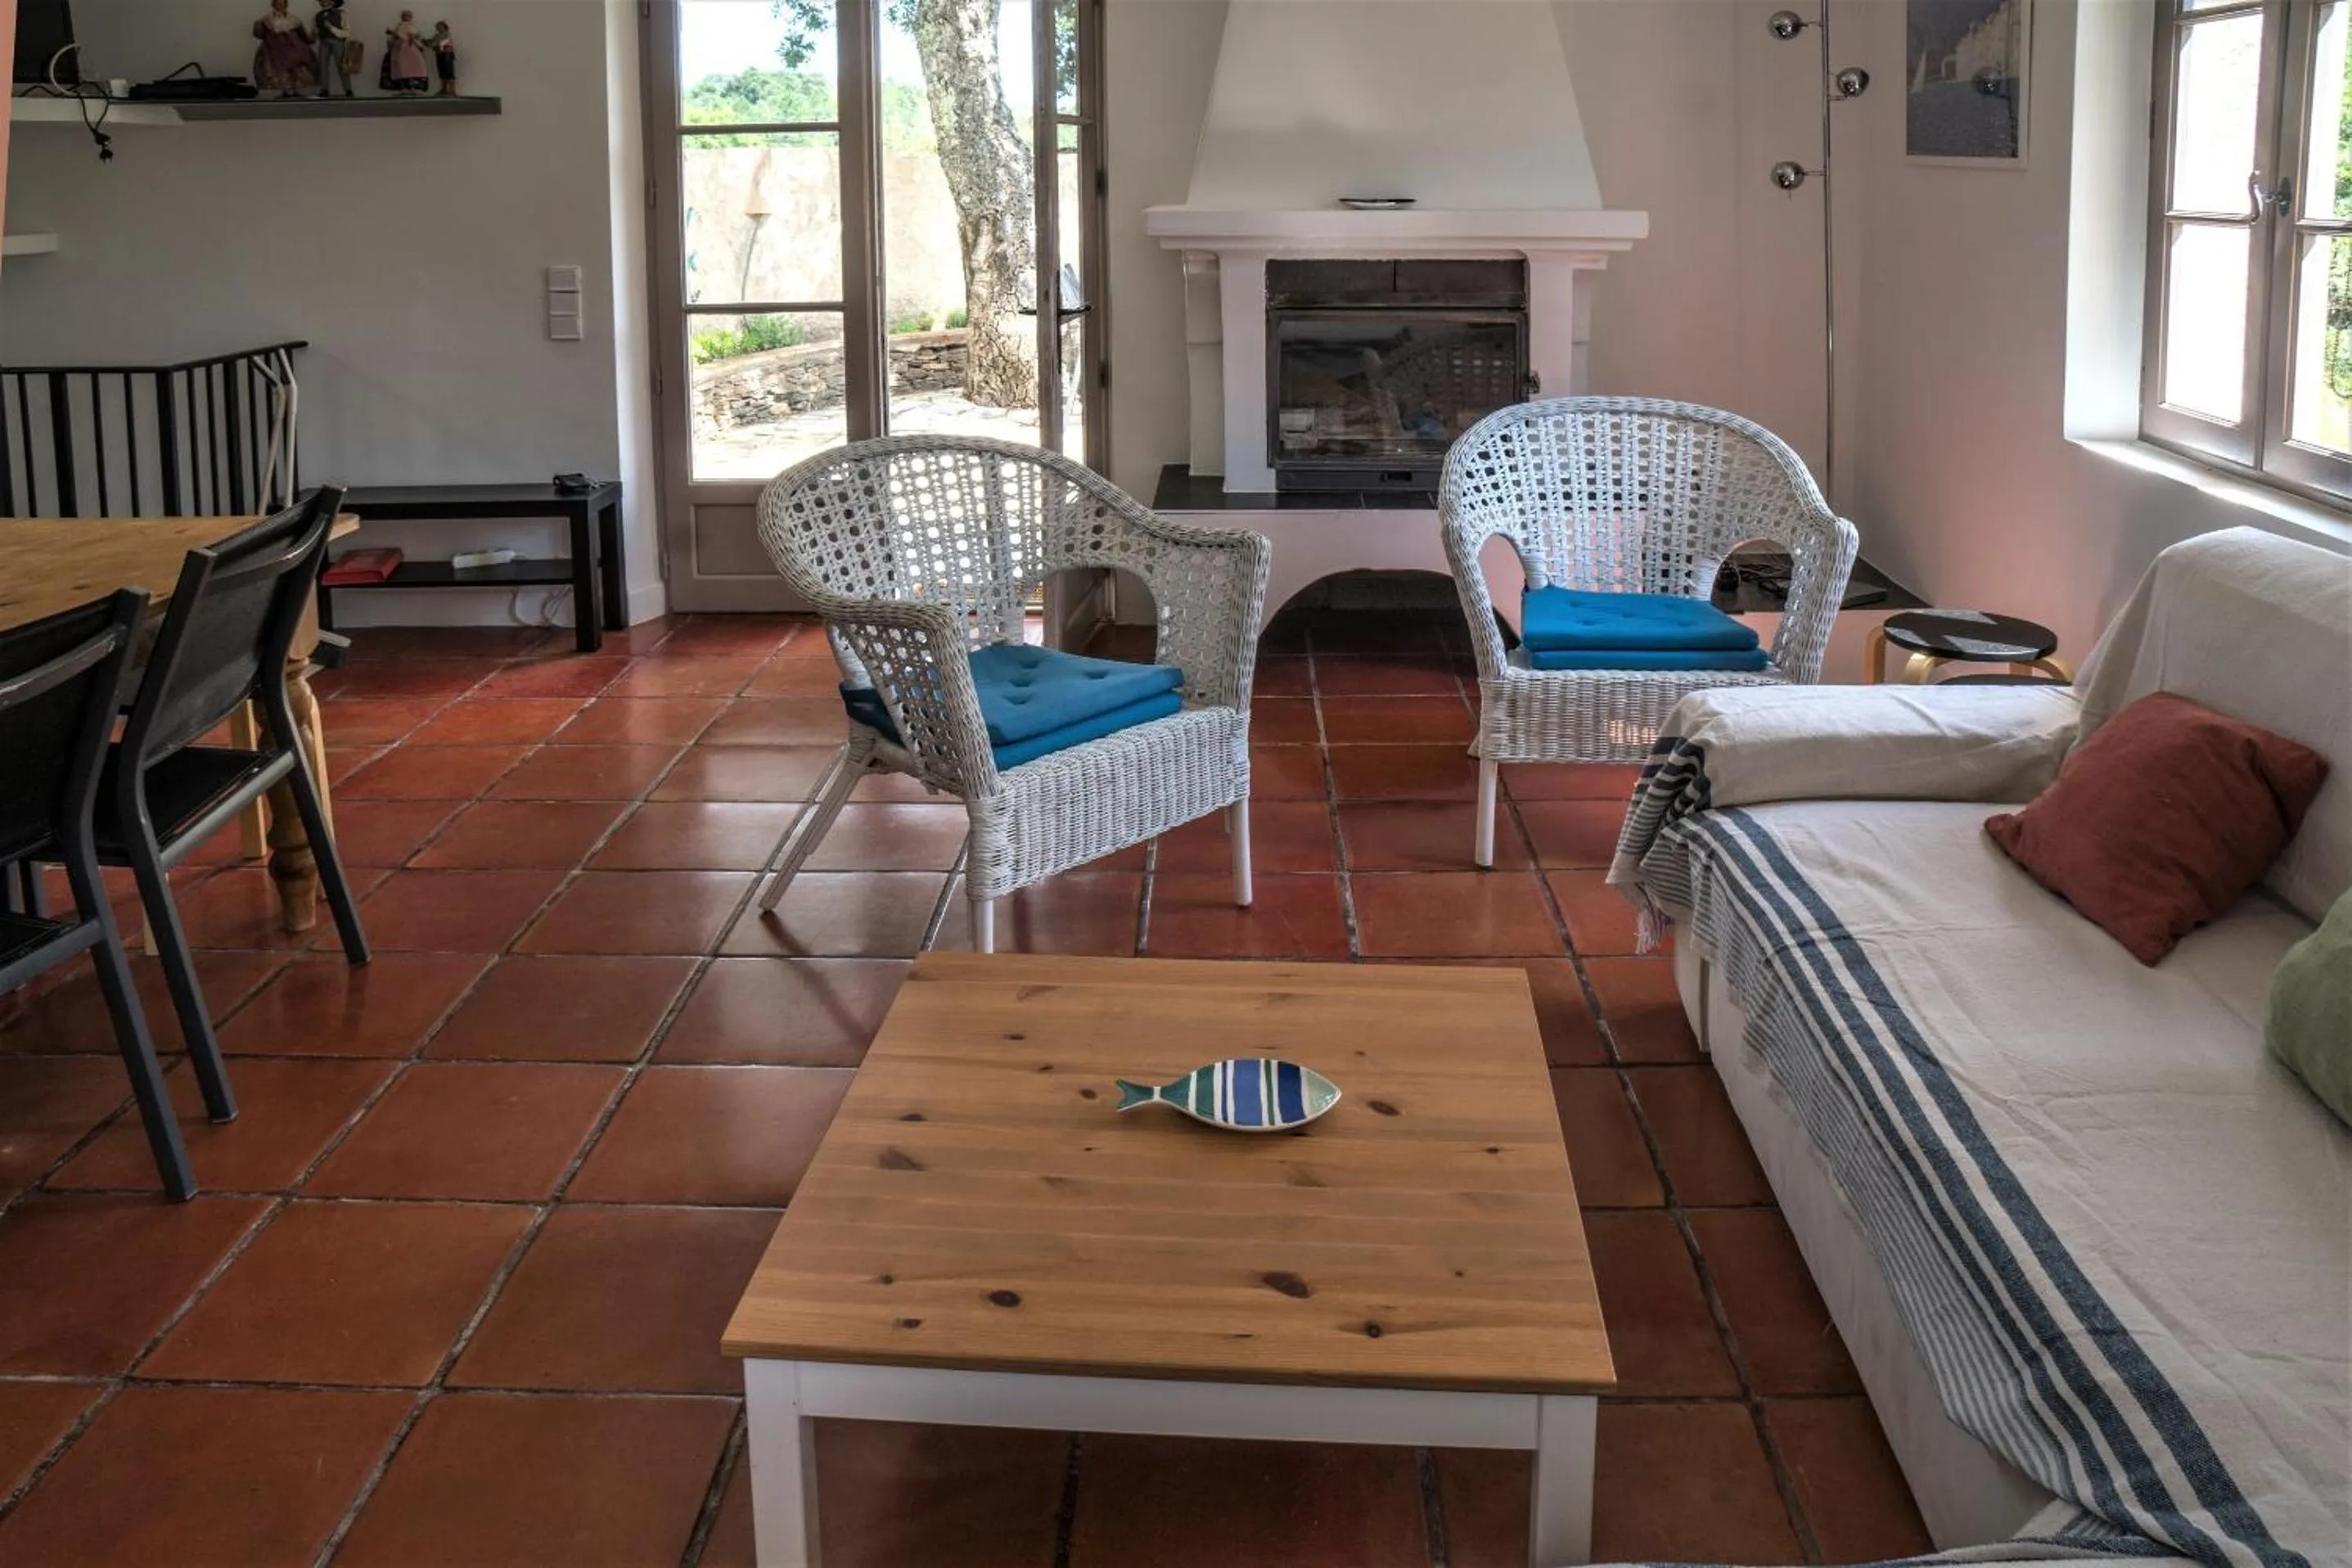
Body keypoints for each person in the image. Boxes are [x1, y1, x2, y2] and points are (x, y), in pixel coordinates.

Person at [250, 0, 317, 97]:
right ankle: (286, 90)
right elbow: (259, 34)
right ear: (273, 5)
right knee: (278, 70)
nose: (280, 6)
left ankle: (293, 89)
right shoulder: (266, 20)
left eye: (282, 4)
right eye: (278, 4)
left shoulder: (294, 20)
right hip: (275, 49)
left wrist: (312, 36)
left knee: (296, 68)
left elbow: (303, 35)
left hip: (293, 47)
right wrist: (258, 26)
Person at [313, 0, 355, 97]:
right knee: (323, 65)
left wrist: (331, 28)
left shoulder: (342, 14)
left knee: (341, 65)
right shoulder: (318, 15)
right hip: (324, 41)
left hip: (337, 41)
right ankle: (324, 89)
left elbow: (346, 32)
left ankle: (348, 89)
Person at [381, 11, 430, 95]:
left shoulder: (410, 27)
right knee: (402, 69)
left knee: (412, 69)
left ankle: (412, 88)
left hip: (409, 50)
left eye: (408, 16)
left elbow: (415, 36)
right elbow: (398, 37)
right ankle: (405, 88)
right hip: (401, 50)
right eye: (405, 16)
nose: (406, 18)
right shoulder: (400, 26)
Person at [426, 20, 457, 97]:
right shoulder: (436, 36)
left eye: (440, 26)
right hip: (439, 54)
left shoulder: (447, 35)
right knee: (442, 72)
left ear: (444, 27)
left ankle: (453, 90)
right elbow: (431, 43)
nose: (438, 28)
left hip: (447, 54)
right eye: (437, 27)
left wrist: (433, 44)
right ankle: (444, 88)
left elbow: (442, 44)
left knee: (449, 72)